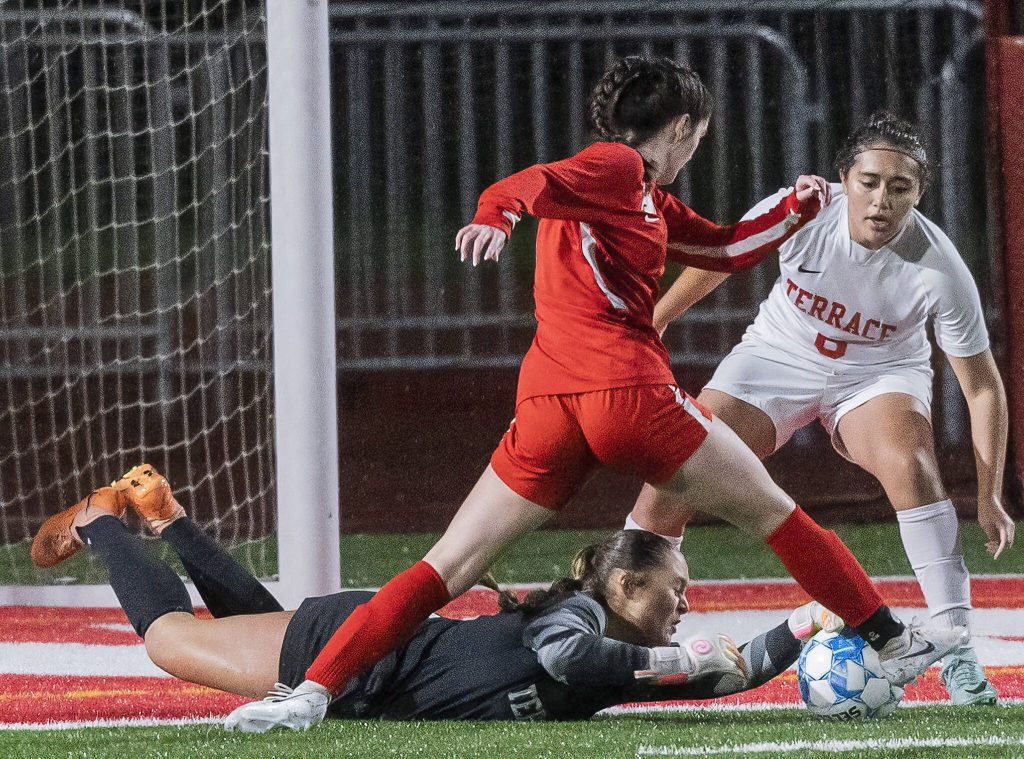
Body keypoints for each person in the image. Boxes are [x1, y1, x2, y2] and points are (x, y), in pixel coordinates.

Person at [225, 56, 965, 731]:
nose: (693, 153)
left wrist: (792, 210)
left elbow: (722, 246)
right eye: (696, 139)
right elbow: (533, 183)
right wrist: (495, 213)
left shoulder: (646, 199)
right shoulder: (615, 165)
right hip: (625, 393)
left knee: (443, 566)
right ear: (680, 128)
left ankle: (310, 692)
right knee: (775, 512)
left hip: (549, 406)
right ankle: (892, 640)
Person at [623, 112, 1015, 705]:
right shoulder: (804, 209)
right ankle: (625, 628)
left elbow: (982, 386)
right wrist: (657, 318)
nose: (881, 200)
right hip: (777, 355)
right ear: (844, 179)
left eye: (900, 187)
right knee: (675, 469)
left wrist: (988, 493)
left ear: (919, 194)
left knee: (911, 468)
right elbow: (723, 256)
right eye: (869, 181)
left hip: (877, 374)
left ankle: (956, 648)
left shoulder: (939, 268)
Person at [30, 464, 845, 725]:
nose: (686, 607)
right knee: (170, 640)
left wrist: (808, 621)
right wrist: (671, 658)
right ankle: (106, 520)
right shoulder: (581, 616)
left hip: (353, 638)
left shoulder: (619, 649)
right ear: (625, 581)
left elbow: (727, 672)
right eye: (677, 590)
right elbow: (565, 652)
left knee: (248, 627)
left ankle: (167, 517)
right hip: (355, 658)